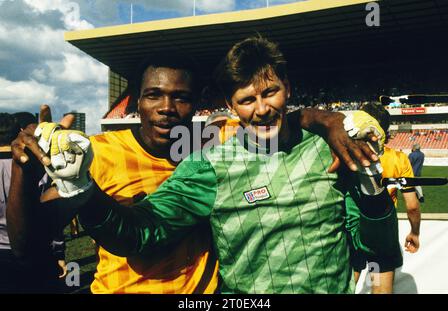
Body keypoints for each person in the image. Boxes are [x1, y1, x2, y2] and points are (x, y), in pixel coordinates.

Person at [19, 37, 398, 294]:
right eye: (247, 99)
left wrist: (372, 191)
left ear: (289, 88)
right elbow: (140, 232)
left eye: (270, 93)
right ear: (231, 106)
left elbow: (375, 247)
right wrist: (83, 190)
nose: (262, 108)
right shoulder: (209, 166)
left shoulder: (328, 148)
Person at [350, 103, 421, 294]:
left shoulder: (345, 155)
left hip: (351, 224)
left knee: (348, 283)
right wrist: (414, 233)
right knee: (381, 288)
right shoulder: (399, 158)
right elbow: (412, 206)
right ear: (386, 131)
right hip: (380, 230)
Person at [1, 112, 64, 293]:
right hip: (37, 253)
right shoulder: (37, 167)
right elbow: (53, 216)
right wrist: (59, 252)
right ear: (18, 134)